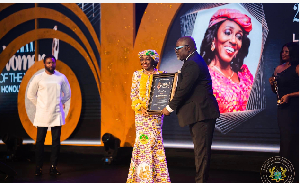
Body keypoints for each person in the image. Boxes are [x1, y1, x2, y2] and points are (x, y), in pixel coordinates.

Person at [162, 36, 220, 183]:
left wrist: (169, 107)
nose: (175, 52)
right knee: (200, 152)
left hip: (203, 114)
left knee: (202, 153)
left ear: (188, 48)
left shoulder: (193, 63)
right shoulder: (192, 61)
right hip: (199, 114)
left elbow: (183, 89)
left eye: (178, 49)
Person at [127, 50, 170, 183]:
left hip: (155, 116)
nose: (144, 62)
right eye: (142, 59)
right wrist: (140, 107)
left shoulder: (161, 76)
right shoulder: (136, 75)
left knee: (155, 144)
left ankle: (158, 179)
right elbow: (133, 95)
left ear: (153, 60)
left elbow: (165, 96)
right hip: (141, 116)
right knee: (142, 143)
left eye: (147, 59)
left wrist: (159, 107)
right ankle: (141, 178)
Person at [200, 8, 254, 113]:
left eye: (239, 37)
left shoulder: (245, 74)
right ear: (213, 38)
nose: (234, 41)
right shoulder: (203, 75)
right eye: (228, 32)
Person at [27, 55, 71, 176]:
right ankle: (38, 167)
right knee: (40, 141)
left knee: (56, 142)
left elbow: (67, 93)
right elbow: (30, 94)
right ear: (44, 64)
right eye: (48, 63)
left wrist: (60, 102)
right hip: (42, 114)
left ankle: (53, 167)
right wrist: (40, 105)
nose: (51, 65)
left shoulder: (61, 77)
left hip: (56, 113)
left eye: (52, 63)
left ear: (55, 63)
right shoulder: (38, 77)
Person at [268, 42, 299, 182]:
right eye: (282, 51)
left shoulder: (297, 68)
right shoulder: (278, 68)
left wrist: (289, 96)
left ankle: (289, 175)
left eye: (286, 52)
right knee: (284, 140)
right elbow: (276, 91)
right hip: (282, 108)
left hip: (294, 108)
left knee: (291, 141)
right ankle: (286, 174)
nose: (283, 54)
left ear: (292, 53)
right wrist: (271, 84)